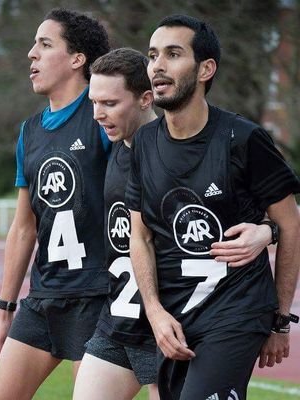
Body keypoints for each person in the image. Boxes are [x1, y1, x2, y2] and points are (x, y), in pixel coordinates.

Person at [73, 49, 279, 400]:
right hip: (119, 320)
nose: (97, 114)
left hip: (175, 323)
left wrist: (267, 231)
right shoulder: (113, 148)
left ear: (146, 99)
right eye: (93, 102)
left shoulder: (185, 150)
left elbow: (268, 212)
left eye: (109, 102)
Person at [126, 14, 300, 400]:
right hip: (174, 316)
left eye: (173, 54)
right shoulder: (143, 143)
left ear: (206, 69)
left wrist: (281, 321)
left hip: (236, 311)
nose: (157, 65)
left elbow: (290, 223)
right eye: (153, 55)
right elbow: (140, 236)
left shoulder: (244, 139)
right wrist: (154, 311)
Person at [0, 8, 111, 400]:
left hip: (100, 296)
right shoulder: (30, 131)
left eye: (44, 44)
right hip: (43, 298)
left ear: (77, 60)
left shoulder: (105, 117)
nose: (31, 54)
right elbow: (24, 227)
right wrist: (5, 308)